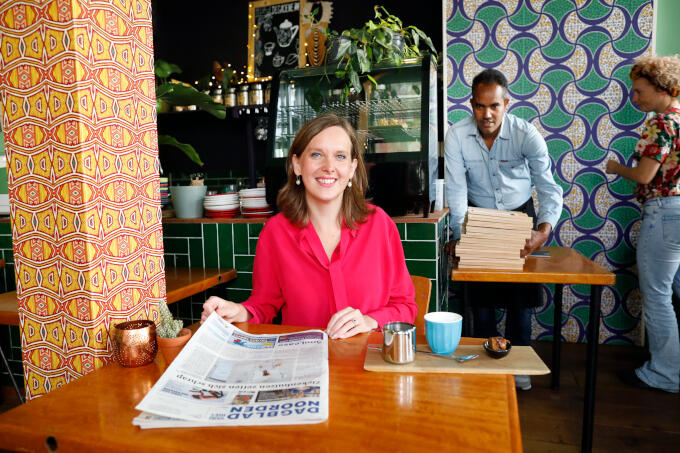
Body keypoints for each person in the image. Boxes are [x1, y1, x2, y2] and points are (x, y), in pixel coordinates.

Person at [202, 114, 416, 339]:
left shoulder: (379, 225)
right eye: (316, 155)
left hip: (367, 365)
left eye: (340, 156)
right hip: (301, 365)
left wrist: (369, 321)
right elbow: (263, 306)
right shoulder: (275, 233)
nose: (329, 167)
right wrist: (237, 311)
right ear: (297, 165)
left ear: (352, 168)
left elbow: (405, 307)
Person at [444, 69, 563, 390]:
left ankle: (517, 366)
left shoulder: (527, 134)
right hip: (479, 218)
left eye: (494, 106)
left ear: (506, 103)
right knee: (481, 297)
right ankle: (487, 368)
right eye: (480, 106)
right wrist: (459, 235)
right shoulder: (456, 136)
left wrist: (544, 229)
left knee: (519, 297)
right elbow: (455, 190)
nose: (487, 114)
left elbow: (549, 187)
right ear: (471, 104)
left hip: (519, 216)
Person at [605, 54, 680, 393]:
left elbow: (644, 174)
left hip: (663, 213)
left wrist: (616, 168)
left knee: (657, 296)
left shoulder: (660, 123)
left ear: (664, 88)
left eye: (639, 91)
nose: (635, 99)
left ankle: (664, 374)